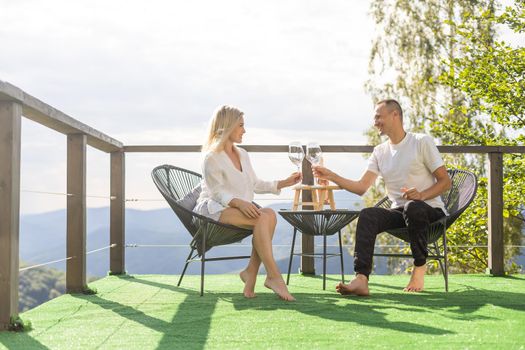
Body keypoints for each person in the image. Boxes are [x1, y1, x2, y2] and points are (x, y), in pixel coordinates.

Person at [313, 99, 451, 295]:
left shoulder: (421, 142)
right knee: (368, 214)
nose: (375, 122)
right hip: (399, 213)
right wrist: (332, 176)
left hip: (429, 211)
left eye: (378, 116)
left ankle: (420, 267)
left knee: (413, 206)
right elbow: (361, 187)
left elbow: (445, 182)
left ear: (395, 115)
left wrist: (421, 195)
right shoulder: (380, 151)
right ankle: (361, 279)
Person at [194, 105, 301, 301]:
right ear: (227, 127)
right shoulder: (211, 158)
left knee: (270, 214)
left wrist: (284, 182)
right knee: (262, 218)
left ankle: (251, 272)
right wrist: (239, 203)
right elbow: (217, 192)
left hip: (233, 207)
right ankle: (274, 277)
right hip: (212, 209)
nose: (245, 130)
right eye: (241, 125)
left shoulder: (242, 154)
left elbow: (255, 183)